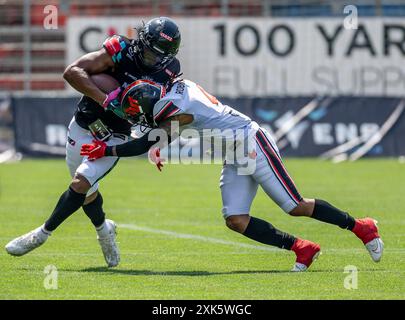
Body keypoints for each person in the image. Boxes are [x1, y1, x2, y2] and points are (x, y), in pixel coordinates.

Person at [80, 78, 384, 271]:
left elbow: (154, 135)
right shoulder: (173, 90)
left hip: (252, 143)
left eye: (138, 111)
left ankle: (361, 227)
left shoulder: (173, 107)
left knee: (295, 206)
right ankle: (302, 248)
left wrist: (107, 151)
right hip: (233, 152)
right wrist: (159, 144)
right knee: (236, 220)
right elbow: (169, 127)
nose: (138, 117)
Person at [5, 17, 181, 268]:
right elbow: (72, 72)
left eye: (158, 56)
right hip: (84, 126)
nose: (152, 59)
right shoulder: (120, 50)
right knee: (86, 193)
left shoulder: (169, 70)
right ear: (142, 41)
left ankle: (41, 234)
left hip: (116, 135)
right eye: (149, 52)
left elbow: (163, 110)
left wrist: (157, 141)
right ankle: (104, 230)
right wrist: (106, 99)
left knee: (81, 183)